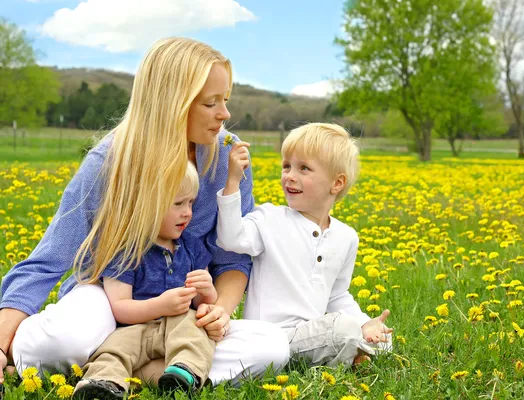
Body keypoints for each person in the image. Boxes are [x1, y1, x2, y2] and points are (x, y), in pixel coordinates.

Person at [0, 37, 289, 387]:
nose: (225, 114)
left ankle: (115, 367)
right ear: (171, 103)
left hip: (183, 313)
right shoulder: (110, 160)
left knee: (271, 348)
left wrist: (220, 312)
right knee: (66, 340)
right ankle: (135, 364)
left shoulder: (227, 157)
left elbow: (234, 258)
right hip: (110, 300)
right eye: (211, 102)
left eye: (225, 101)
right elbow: (49, 259)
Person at [216, 122, 393, 367]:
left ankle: (351, 347)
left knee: (383, 340)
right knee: (342, 330)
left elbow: (337, 295)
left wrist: (365, 323)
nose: (289, 175)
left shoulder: (346, 237)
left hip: (313, 334)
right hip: (265, 338)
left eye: (304, 168)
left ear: (337, 183)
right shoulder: (269, 218)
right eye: (286, 166)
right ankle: (349, 353)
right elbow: (230, 238)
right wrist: (232, 183)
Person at [73, 161, 215, 399]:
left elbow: (203, 303)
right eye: (178, 203)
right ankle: (103, 383)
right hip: (134, 328)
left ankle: (184, 372)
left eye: (191, 202)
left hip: (178, 326)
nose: (187, 212)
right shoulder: (127, 250)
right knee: (113, 350)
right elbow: (119, 307)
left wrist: (208, 291)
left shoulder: (191, 246)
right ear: (147, 207)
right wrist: (159, 306)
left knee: (195, 331)